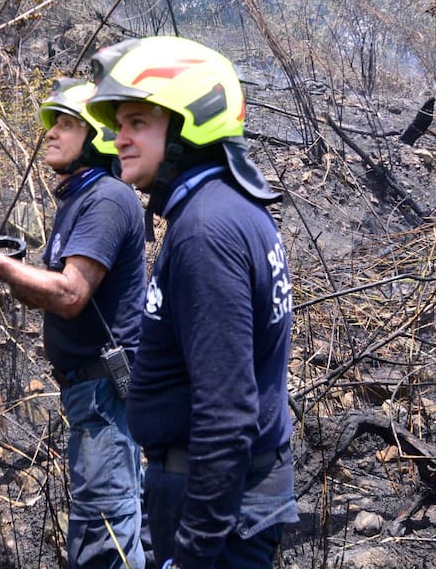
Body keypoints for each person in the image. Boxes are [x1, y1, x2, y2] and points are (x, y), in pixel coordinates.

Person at [85, 36, 298, 569]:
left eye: (137, 122)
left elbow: (227, 411)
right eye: (119, 124)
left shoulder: (205, 232)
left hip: (216, 512)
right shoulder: (231, 210)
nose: (118, 138)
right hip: (225, 497)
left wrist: (195, 550)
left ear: (189, 123)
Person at [0, 78, 147, 569]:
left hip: (105, 395)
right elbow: (42, 296)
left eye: (67, 124)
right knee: (112, 528)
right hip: (91, 394)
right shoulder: (79, 202)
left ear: (96, 137)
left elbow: (68, 295)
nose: (51, 133)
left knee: (105, 539)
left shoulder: (106, 200)